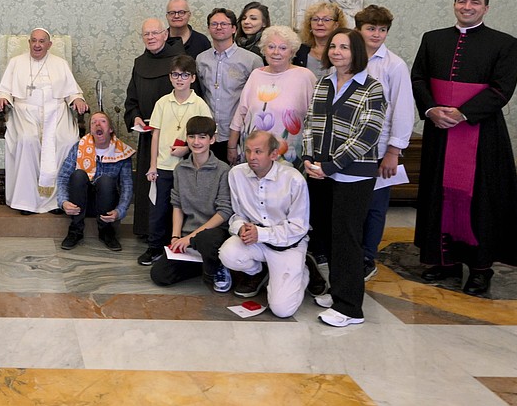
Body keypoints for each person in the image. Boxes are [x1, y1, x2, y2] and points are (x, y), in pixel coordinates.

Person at [411, 0, 517, 296]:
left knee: (481, 200)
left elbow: (502, 88)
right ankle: (444, 262)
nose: (467, 6)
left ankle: (480, 269)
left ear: (486, 8)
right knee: (437, 195)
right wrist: (432, 109)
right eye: (462, 1)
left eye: (475, 2)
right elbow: (418, 77)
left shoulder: (505, 43)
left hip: (481, 133)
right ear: (454, 4)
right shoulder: (433, 39)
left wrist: (461, 114)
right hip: (439, 130)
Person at [303, 28, 386, 328]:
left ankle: (350, 307)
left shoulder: (371, 88)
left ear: (357, 53)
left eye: (345, 48)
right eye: (334, 47)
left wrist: (332, 165)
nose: (337, 52)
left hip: (352, 175)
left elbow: (367, 135)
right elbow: (310, 123)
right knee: (328, 235)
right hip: (321, 172)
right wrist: (309, 158)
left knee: (348, 238)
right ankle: (338, 291)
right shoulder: (324, 83)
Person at [219, 131, 313, 318]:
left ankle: (303, 271)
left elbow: (298, 227)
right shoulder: (236, 174)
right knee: (228, 254)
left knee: (282, 310)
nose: (252, 157)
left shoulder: (293, 179)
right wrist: (241, 228)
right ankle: (259, 272)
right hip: (256, 242)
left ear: (273, 154)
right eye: (248, 151)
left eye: (258, 152)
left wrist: (260, 234)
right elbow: (237, 214)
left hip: (288, 245)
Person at [0, 28, 88, 214]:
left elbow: (72, 90)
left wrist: (77, 99)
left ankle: (58, 199)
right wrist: (2, 98)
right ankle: (27, 201)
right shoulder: (16, 63)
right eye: (34, 41)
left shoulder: (60, 64)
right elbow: (4, 89)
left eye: (41, 41)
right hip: (25, 112)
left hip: (56, 111)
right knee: (26, 140)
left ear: (49, 45)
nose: (37, 45)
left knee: (67, 140)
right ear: (29, 43)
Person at [354, 5, 415, 281]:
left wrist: (393, 151)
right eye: (371, 28)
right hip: (348, 148)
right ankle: (349, 252)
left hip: (379, 148)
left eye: (382, 30)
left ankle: (367, 256)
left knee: (375, 206)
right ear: (359, 29)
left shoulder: (394, 65)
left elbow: (402, 109)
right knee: (352, 205)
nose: (377, 34)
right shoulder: (347, 58)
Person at [140, 55, 211, 265]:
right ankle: (154, 247)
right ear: (170, 77)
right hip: (163, 166)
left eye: (185, 75)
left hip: (188, 168)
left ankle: (182, 245)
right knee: (158, 208)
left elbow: (206, 137)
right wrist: (153, 165)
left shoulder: (199, 104)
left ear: (193, 78)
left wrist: (186, 149)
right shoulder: (163, 102)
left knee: (182, 208)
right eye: (175, 74)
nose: (180, 79)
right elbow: (155, 135)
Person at [150, 116, 233, 292]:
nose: (196, 142)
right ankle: (202, 264)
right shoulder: (181, 169)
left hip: (213, 234)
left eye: (202, 137)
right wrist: (176, 236)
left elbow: (224, 211)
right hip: (188, 236)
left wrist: (191, 237)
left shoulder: (223, 170)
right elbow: (177, 204)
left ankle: (218, 265)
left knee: (205, 240)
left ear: (212, 139)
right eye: (192, 137)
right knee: (159, 275)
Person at [124, 18, 183, 237]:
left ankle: (172, 234)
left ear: (165, 34)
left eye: (155, 33)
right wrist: (136, 117)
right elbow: (132, 99)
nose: (150, 37)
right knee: (149, 183)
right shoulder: (140, 63)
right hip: (149, 135)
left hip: (175, 138)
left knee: (171, 186)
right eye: (146, 34)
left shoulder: (180, 62)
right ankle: (148, 232)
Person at [228, 25, 317, 170]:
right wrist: (231, 146)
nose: (276, 52)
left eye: (283, 48)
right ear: (264, 49)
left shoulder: (305, 76)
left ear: (292, 51)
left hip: (289, 155)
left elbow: (315, 118)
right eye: (271, 47)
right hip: (253, 154)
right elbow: (241, 112)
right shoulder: (256, 74)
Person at [55, 111, 134, 253]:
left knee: (105, 181)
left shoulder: (122, 152)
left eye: (102, 121)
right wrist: (63, 202)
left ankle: (106, 231)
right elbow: (63, 177)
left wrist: (120, 211)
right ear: (91, 130)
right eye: (93, 122)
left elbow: (127, 185)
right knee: (78, 175)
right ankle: (75, 230)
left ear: (110, 129)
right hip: (81, 202)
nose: (97, 124)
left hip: (106, 204)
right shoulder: (79, 147)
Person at [196, 8, 263, 162]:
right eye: (214, 24)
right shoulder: (201, 59)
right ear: (208, 28)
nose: (219, 27)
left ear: (234, 28)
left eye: (224, 24)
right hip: (209, 134)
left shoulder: (251, 60)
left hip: (238, 133)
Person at [295, 2, 346, 80]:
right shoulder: (299, 51)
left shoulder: (344, 51)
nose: (319, 23)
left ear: (336, 25)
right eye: (315, 19)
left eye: (326, 20)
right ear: (310, 25)